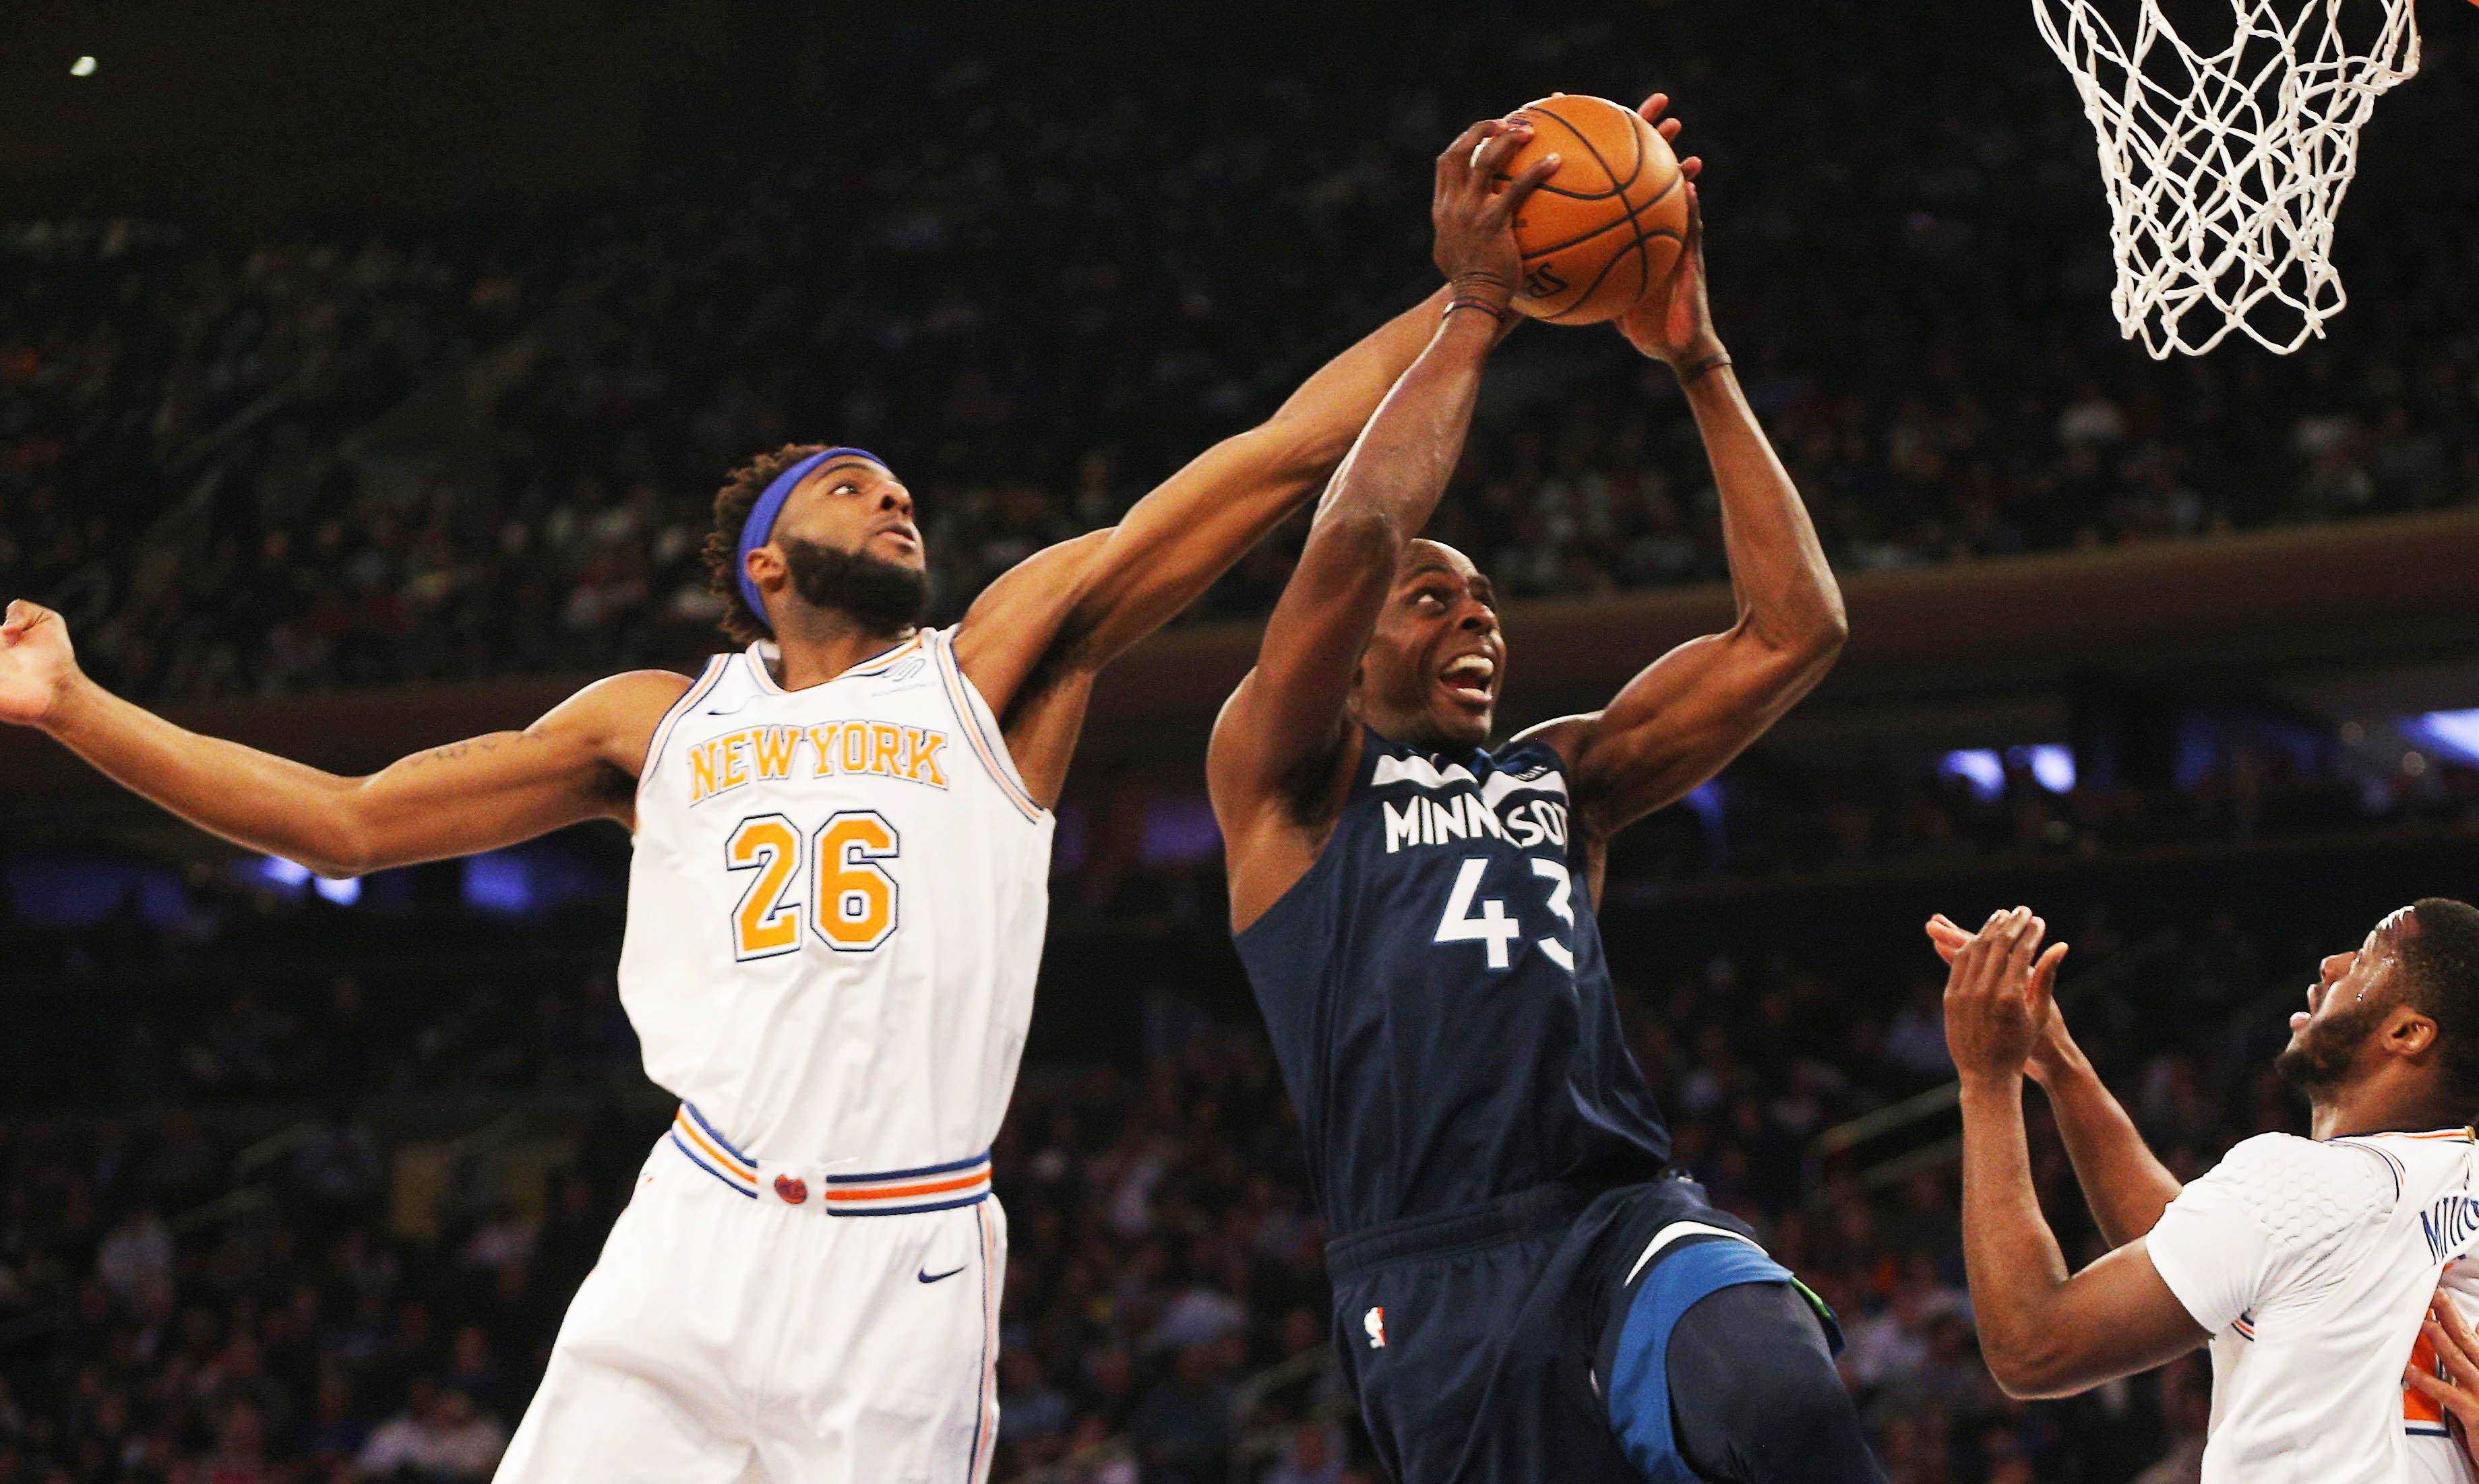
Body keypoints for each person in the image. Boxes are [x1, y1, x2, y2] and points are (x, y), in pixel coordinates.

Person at [0, 157, 1524, 1479]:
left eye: (899, 488)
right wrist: (76, 704)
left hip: (900, 1257)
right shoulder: (654, 723)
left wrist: (1467, 301)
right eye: (849, 488)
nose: (893, 500)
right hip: (695, 1220)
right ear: (763, 568)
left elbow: (1266, 461)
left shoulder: (990, 668)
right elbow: (343, 820)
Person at [1206, 94, 1872, 1483]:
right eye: (1436, 601)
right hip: (1432, 1268)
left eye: (1491, 604)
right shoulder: (1291, 783)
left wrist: (1700, 366)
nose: (1478, 622)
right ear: (1357, 650)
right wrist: (1476, 310)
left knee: (1780, 1397)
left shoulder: (1561, 777)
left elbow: (1793, 635)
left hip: (1622, 1212)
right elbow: (1357, 536)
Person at [1932, 898, 2479, 1484]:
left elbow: (2032, 1347)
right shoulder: (2427, 1184)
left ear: (2408, 1033)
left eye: (2369, 958)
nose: (2333, 963)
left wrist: (1988, 1079)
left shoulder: (2311, 1187)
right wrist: (2061, 1064)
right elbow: (2203, 1252)